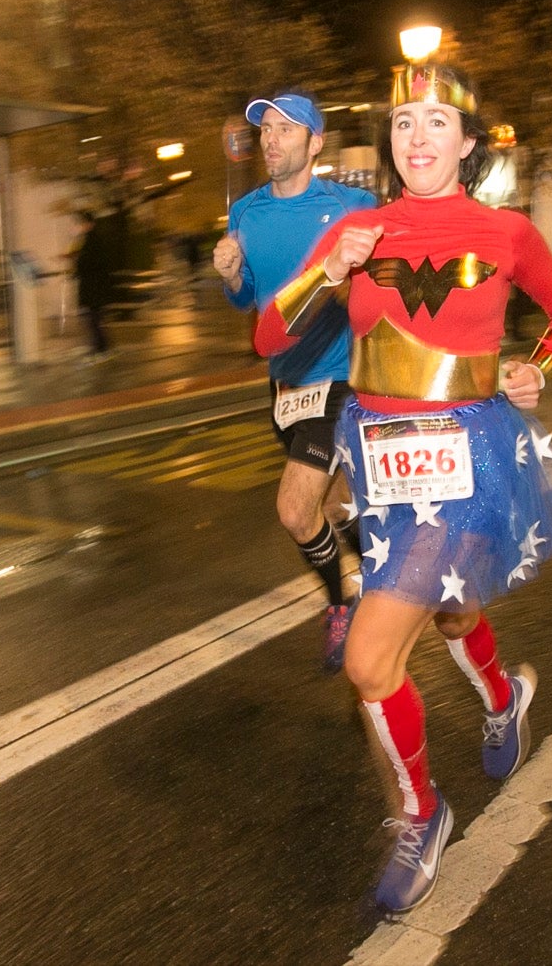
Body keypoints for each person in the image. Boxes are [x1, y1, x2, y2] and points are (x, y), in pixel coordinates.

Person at [252, 63, 552, 916]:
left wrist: (533, 366)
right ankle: (505, 696)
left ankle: (421, 812)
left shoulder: (505, 230)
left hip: (470, 457)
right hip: (383, 458)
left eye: (438, 121)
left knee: (370, 657)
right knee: (445, 610)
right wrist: (330, 272)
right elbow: (267, 333)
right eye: (404, 121)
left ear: (468, 141)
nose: (418, 136)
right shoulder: (358, 230)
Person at [213, 91, 378, 673]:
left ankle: (345, 601)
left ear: (315, 143)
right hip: (283, 385)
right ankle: (390, 569)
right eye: (265, 130)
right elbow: (248, 301)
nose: (271, 140)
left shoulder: (353, 204)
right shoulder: (246, 214)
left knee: (293, 509)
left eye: (286, 130)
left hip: (337, 377)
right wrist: (232, 276)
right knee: (332, 507)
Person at [72, 203, 126, 357]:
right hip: (95, 287)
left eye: (82, 223)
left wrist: (78, 265)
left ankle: (101, 347)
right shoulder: (92, 239)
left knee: (93, 319)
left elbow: (91, 263)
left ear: (89, 224)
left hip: (93, 287)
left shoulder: (92, 240)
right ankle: (102, 346)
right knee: (95, 319)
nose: (80, 226)